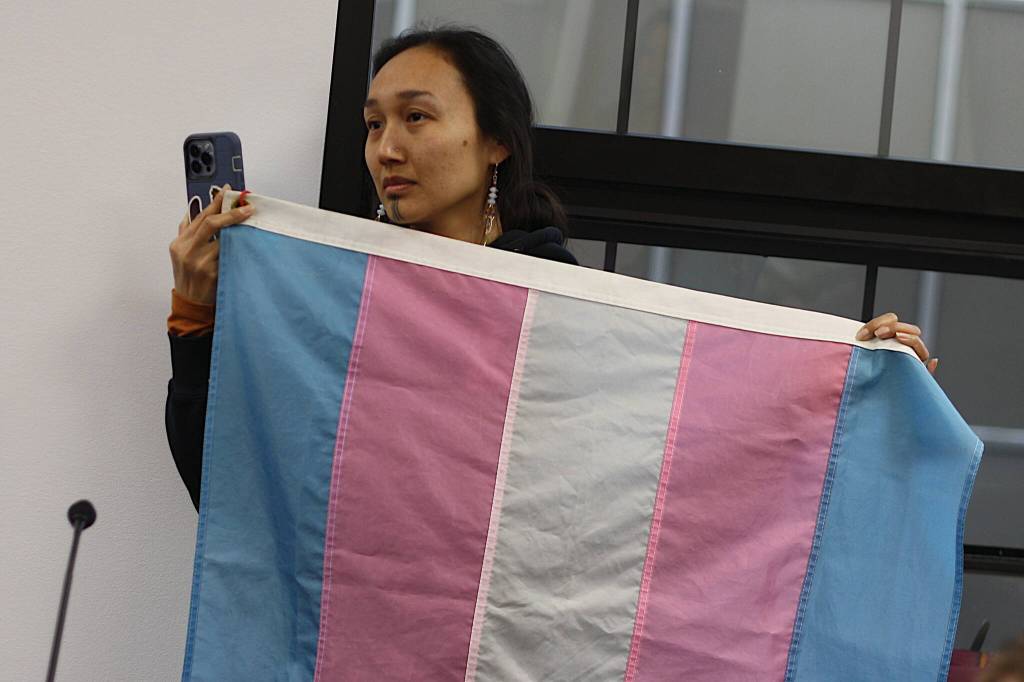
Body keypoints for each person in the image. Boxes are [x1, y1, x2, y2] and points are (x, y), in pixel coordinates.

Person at [165, 26, 938, 512]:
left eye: (417, 116)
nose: (386, 149)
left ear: (496, 139)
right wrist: (196, 321)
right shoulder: (340, 301)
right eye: (373, 125)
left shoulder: (570, 308)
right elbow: (234, 493)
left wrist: (846, 379)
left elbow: (701, 445)